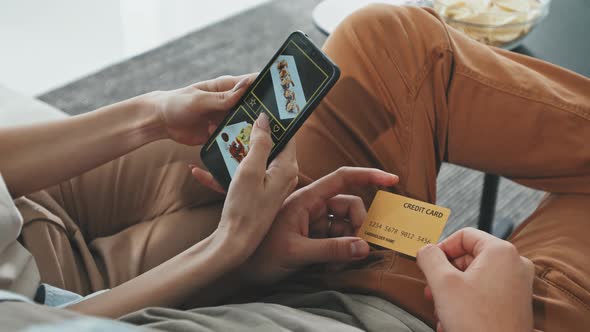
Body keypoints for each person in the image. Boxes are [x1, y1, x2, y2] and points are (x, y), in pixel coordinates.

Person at [1, 4, 589, 332]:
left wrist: (152, 115)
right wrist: (231, 251)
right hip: (369, 313)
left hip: (30, 238)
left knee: (386, 37)